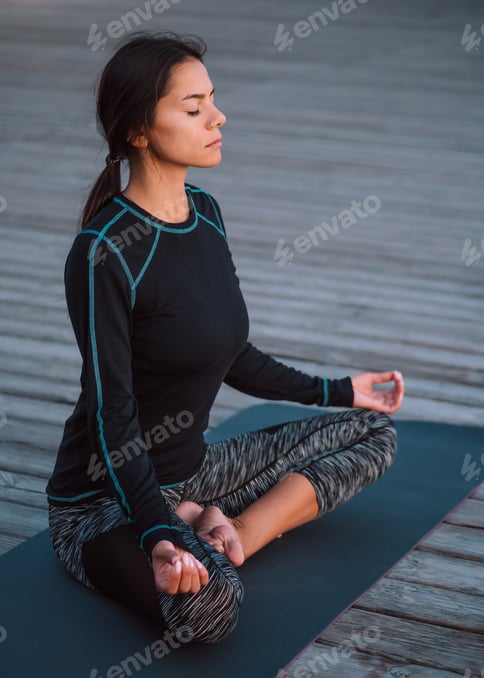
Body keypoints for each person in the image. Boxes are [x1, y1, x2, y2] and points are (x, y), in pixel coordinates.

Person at [46, 31, 404, 644]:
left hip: (197, 471)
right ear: (137, 130)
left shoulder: (205, 213)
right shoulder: (104, 252)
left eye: (212, 99)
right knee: (210, 608)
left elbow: (229, 351)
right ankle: (192, 531)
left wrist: (340, 388)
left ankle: (233, 529)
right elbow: (114, 413)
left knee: (372, 431)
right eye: (193, 108)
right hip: (104, 500)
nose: (218, 116)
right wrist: (159, 532)